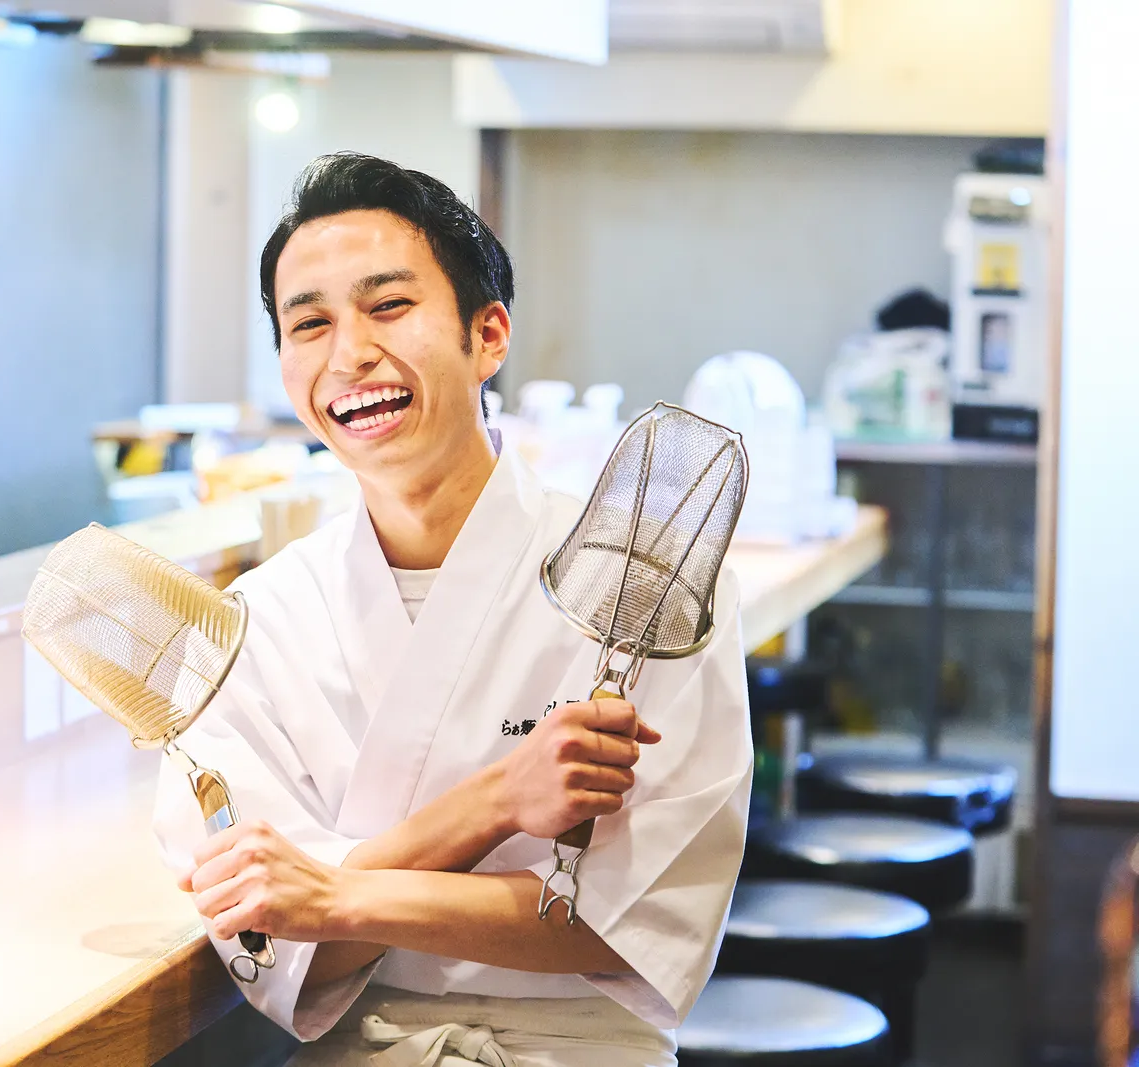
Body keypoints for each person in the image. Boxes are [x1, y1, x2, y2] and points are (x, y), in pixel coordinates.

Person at [152, 154, 752, 1066]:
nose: (348, 353)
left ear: (490, 333)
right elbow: (279, 951)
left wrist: (336, 894)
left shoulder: (648, 580)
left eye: (388, 306)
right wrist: (501, 801)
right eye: (307, 322)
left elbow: (628, 922)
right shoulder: (254, 625)